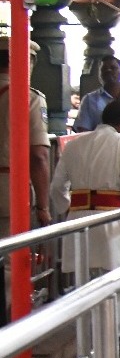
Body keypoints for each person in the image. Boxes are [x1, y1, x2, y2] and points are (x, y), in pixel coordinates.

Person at [50, 99, 120, 319]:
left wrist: (72, 206)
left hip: (77, 221)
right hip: (112, 221)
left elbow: (57, 187)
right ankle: (111, 342)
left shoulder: (73, 145)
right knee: (116, 284)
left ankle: (86, 344)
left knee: (83, 287)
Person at [0, 37, 51, 237]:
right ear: (24, 61)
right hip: (9, 193)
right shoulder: (29, 98)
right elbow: (39, 156)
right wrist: (43, 206)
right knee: (11, 260)